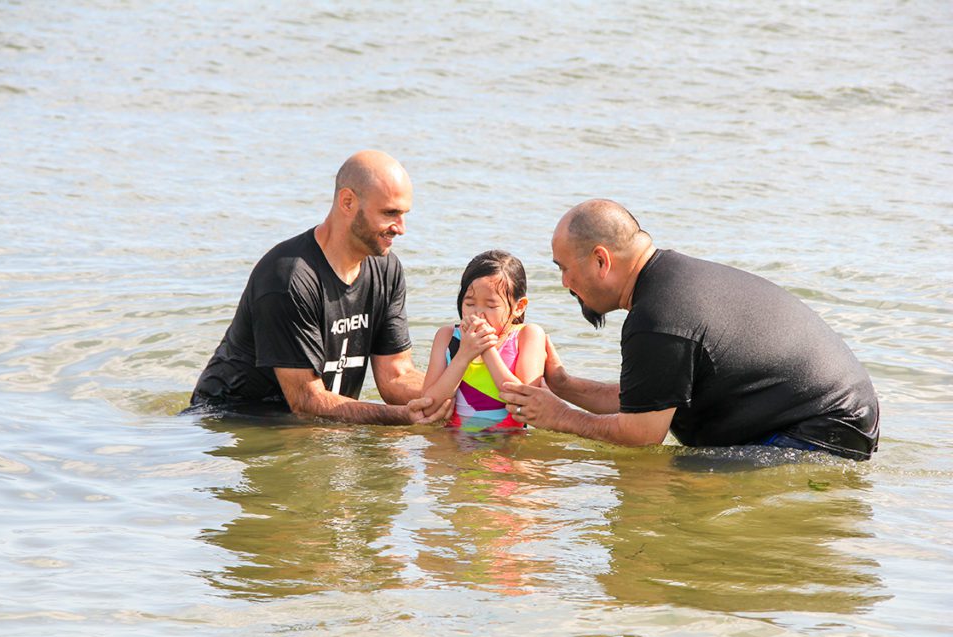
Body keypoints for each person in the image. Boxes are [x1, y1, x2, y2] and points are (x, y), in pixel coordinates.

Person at [499, 199, 880, 460]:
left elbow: (642, 435)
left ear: (601, 260)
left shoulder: (658, 318)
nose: (565, 282)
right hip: (836, 421)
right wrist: (563, 387)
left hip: (818, 434)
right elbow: (649, 401)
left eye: (564, 268)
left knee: (665, 479)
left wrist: (560, 417)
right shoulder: (668, 287)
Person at [188, 150, 449, 425]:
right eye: (390, 213)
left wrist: (461, 394)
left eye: (404, 214)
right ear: (347, 202)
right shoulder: (288, 278)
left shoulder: (386, 270)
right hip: (234, 421)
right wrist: (400, 418)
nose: (401, 228)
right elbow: (306, 402)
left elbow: (396, 375)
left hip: (318, 422)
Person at [421, 250, 546, 432]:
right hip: (455, 442)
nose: (478, 314)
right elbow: (427, 407)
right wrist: (463, 356)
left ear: (519, 307)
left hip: (509, 442)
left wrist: (487, 350)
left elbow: (526, 404)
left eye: (491, 305)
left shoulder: (527, 336)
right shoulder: (447, 337)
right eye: (470, 304)